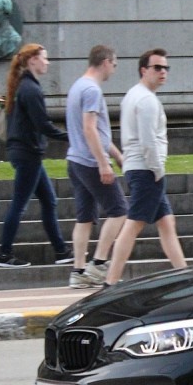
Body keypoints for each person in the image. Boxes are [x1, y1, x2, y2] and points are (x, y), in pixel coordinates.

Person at [105, 49, 188, 285]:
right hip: (147, 170)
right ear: (144, 70)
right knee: (133, 225)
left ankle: (183, 274)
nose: (163, 72)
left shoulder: (134, 95)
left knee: (166, 222)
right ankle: (110, 281)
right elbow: (148, 141)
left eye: (165, 68)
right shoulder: (146, 100)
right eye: (157, 68)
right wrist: (157, 170)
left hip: (139, 168)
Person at [0, 43, 72, 268]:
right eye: (44, 58)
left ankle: (61, 251)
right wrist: (71, 137)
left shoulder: (23, 86)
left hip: (25, 152)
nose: (47, 62)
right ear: (32, 61)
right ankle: (4, 255)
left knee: (49, 200)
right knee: (19, 205)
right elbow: (42, 124)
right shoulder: (31, 89)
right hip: (28, 153)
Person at [64, 44, 128, 288]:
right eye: (114, 64)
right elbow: (90, 128)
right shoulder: (92, 90)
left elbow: (97, 132)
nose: (114, 69)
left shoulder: (77, 86)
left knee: (85, 218)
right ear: (105, 62)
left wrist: (118, 156)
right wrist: (104, 162)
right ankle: (99, 264)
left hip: (75, 159)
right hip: (91, 161)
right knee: (119, 210)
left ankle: (78, 271)